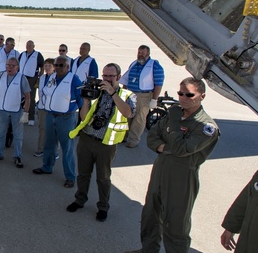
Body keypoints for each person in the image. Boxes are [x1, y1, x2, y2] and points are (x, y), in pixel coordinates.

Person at [124, 77, 220, 253]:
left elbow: (180, 149)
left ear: (202, 96)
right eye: (180, 94)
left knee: (176, 224)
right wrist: (163, 147)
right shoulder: (174, 116)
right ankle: (149, 250)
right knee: (151, 212)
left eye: (189, 95)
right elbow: (152, 137)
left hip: (182, 177)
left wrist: (174, 129)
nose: (183, 98)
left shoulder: (206, 126)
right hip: (162, 169)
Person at [66, 63, 135, 220]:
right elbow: (84, 117)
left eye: (111, 76)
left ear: (118, 76)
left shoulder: (127, 95)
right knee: (83, 174)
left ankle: (103, 206)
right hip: (87, 138)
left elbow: (128, 113)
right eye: (105, 76)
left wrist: (112, 93)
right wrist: (85, 101)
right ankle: (79, 199)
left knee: (103, 177)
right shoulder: (97, 92)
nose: (107, 79)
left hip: (106, 143)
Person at [33, 55, 84, 187]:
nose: (58, 68)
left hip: (66, 118)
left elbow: (81, 100)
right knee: (49, 144)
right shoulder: (52, 77)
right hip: (51, 115)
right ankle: (47, 167)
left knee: (67, 148)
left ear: (68, 67)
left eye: (61, 65)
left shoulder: (74, 79)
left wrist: (78, 116)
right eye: (56, 65)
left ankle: (70, 176)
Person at [0, 57, 30, 167]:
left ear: (17, 67)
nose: (9, 67)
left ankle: (17, 156)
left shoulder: (22, 78)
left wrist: (26, 113)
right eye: (8, 65)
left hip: (16, 111)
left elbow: (27, 97)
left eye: (12, 65)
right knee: (0, 133)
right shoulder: (1, 76)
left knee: (18, 135)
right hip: (2, 110)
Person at [124, 45, 165, 148]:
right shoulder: (134, 63)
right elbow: (126, 79)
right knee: (127, 117)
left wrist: (154, 99)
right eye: (139, 53)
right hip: (130, 94)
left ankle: (133, 140)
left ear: (148, 54)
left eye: (143, 53)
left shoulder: (154, 65)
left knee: (139, 119)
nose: (140, 55)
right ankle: (123, 137)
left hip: (144, 96)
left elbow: (158, 84)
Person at [33, 58, 55, 157]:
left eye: (49, 65)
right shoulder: (42, 77)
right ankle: (40, 149)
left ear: (54, 67)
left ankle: (54, 151)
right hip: (42, 107)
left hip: (52, 108)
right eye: (45, 65)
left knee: (53, 130)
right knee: (42, 128)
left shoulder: (56, 78)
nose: (47, 67)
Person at [18, 40, 44, 125]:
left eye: (30, 45)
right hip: (22, 77)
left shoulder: (37, 55)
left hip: (32, 78)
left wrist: (39, 76)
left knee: (31, 98)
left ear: (34, 46)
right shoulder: (22, 54)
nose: (28, 46)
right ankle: (20, 115)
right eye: (27, 45)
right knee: (19, 97)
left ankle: (31, 118)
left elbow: (42, 66)